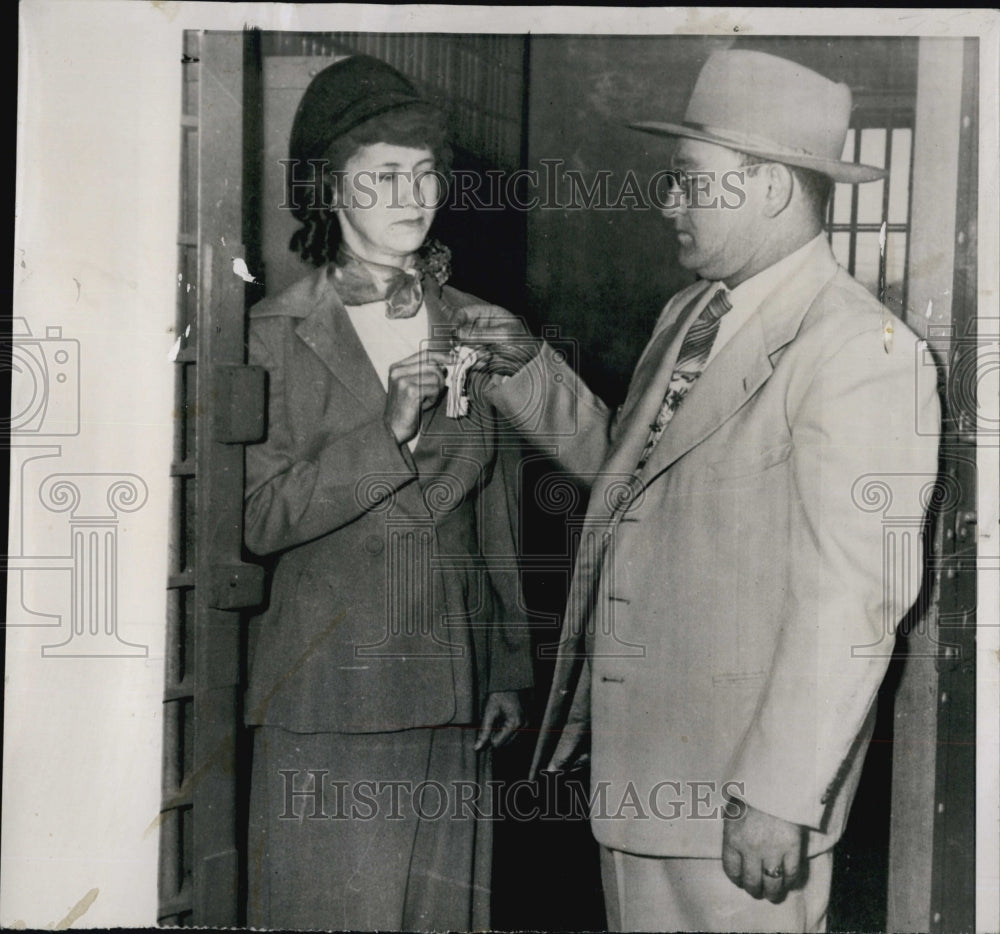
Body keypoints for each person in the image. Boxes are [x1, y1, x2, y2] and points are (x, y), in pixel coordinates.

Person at [460, 50, 941, 932]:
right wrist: (529, 368)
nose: (667, 203)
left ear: (766, 187)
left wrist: (781, 795)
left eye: (689, 181)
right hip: (642, 779)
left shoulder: (862, 352)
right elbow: (638, 473)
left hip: (738, 805)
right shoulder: (692, 314)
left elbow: (853, 599)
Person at [242, 55, 531, 932]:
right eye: (385, 175)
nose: (416, 193)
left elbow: (496, 513)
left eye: (426, 171)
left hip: (454, 698)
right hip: (332, 700)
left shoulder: (473, 323)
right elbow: (258, 517)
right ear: (331, 190)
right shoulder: (272, 334)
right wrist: (389, 433)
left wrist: (509, 666)